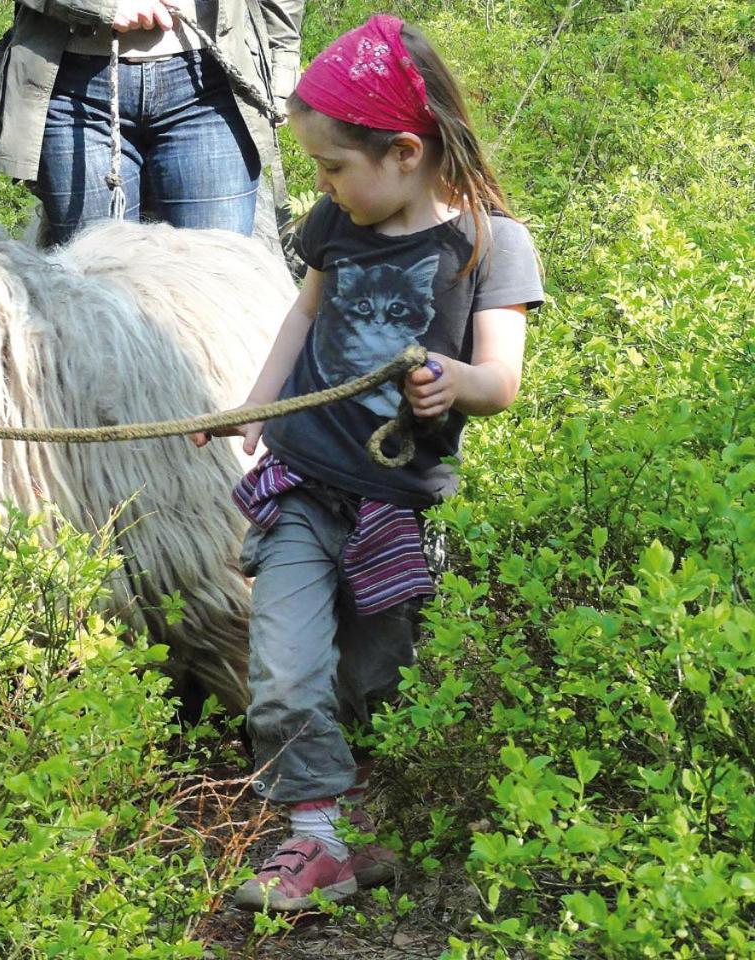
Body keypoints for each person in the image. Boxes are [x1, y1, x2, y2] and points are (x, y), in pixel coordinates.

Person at [193, 14, 545, 912]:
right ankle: (314, 839)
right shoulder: (336, 224)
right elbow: (304, 317)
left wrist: (453, 381)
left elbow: (502, 380)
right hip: (306, 487)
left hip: (396, 507)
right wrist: (258, 403)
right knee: (283, 670)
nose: (322, 185)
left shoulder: (491, 245)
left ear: (401, 151)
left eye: (334, 167)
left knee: (373, 681)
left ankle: (359, 822)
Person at [0, 0, 304, 246]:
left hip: (211, 88)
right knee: (98, 295)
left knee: (214, 287)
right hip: (74, 95)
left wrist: (282, 62)